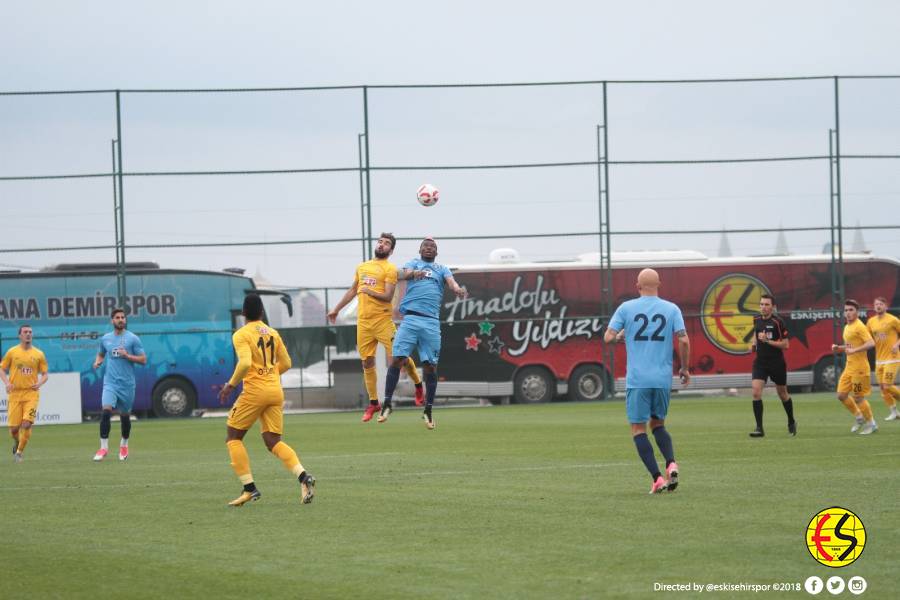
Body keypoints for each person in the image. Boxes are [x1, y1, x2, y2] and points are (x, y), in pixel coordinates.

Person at [218, 294, 315, 506]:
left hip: (255, 392)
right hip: (275, 391)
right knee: (273, 442)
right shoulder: (273, 333)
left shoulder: (241, 334)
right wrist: (269, 373)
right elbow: (287, 362)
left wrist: (230, 385)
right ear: (261, 312)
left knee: (233, 437)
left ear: (243, 314)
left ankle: (249, 488)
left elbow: (244, 364)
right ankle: (303, 477)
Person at [604, 268, 690, 494]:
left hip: (638, 379)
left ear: (637, 286)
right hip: (662, 379)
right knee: (658, 424)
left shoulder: (626, 308)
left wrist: (621, 336)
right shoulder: (672, 309)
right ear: (659, 284)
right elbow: (684, 340)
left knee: (637, 428)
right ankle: (671, 462)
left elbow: (608, 337)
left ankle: (657, 478)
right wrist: (684, 367)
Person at [327, 233, 425, 423]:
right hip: (363, 323)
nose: (382, 245)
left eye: (386, 243)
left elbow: (388, 296)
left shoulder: (389, 269)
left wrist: (368, 290)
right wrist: (336, 309)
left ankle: (418, 385)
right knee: (367, 362)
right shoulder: (362, 267)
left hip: (382, 321)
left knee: (401, 357)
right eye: (380, 242)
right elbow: (353, 290)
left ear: (391, 250)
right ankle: (374, 403)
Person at [380, 237, 467, 429]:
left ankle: (428, 410)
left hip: (431, 323)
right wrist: (412, 273)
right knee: (397, 360)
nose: (429, 248)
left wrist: (457, 289)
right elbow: (399, 273)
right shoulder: (413, 264)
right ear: (420, 250)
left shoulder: (441, 269)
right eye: (425, 246)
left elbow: (451, 282)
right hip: (410, 319)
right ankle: (386, 403)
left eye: (432, 247)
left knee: (430, 366)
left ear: (436, 252)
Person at [92, 308, 146, 461]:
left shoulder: (133, 339)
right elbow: (101, 353)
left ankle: (124, 444)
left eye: (123, 317)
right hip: (110, 383)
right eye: (117, 317)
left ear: (125, 320)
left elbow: (143, 359)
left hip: (127, 385)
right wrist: (98, 361)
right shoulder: (106, 339)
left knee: (125, 417)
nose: (121, 319)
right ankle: (103, 448)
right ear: (112, 321)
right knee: (106, 411)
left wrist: (127, 355)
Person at [748, 294, 796, 437]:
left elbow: (786, 345)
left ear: (772, 307)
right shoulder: (756, 319)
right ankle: (759, 428)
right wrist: (754, 344)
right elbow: (756, 336)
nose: (763, 307)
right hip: (761, 362)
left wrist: (768, 341)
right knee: (756, 392)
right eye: (761, 304)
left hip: (776, 363)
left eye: (767, 304)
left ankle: (791, 421)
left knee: (782, 394)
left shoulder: (778, 322)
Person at [0, 324, 48, 463]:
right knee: (14, 429)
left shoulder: (38, 354)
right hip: (15, 394)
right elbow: (2, 369)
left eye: (30, 332)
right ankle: (17, 442)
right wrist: (7, 383)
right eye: (25, 332)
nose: (28, 334)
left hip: (31, 394)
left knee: (26, 424)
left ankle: (19, 453)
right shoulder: (12, 352)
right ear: (20, 335)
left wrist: (39, 383)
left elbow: (45, 374)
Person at [832, 299, 877, 434]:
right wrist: (839, 348)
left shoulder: (860, 326)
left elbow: (871, 343)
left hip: (860, 368)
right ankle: (859, 417)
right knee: (841, 395)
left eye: (851, 310)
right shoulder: (847, 327)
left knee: (858, 397)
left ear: (857, 312)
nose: (848, 313)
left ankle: (871, 423)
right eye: (846, 310)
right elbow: (850, 346)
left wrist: (854, 350)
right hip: (849, 367)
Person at [866, 296, 900, 421]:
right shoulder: (871, 322)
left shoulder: (893, 320)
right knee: (882, 387)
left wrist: (897, 344)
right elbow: (866, 337)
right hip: (879, 359)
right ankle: (894, 412)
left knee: (887, 385)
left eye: (881, 304)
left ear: (886, 306)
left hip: (893, 358)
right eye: (876, 304)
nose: (878, 306)